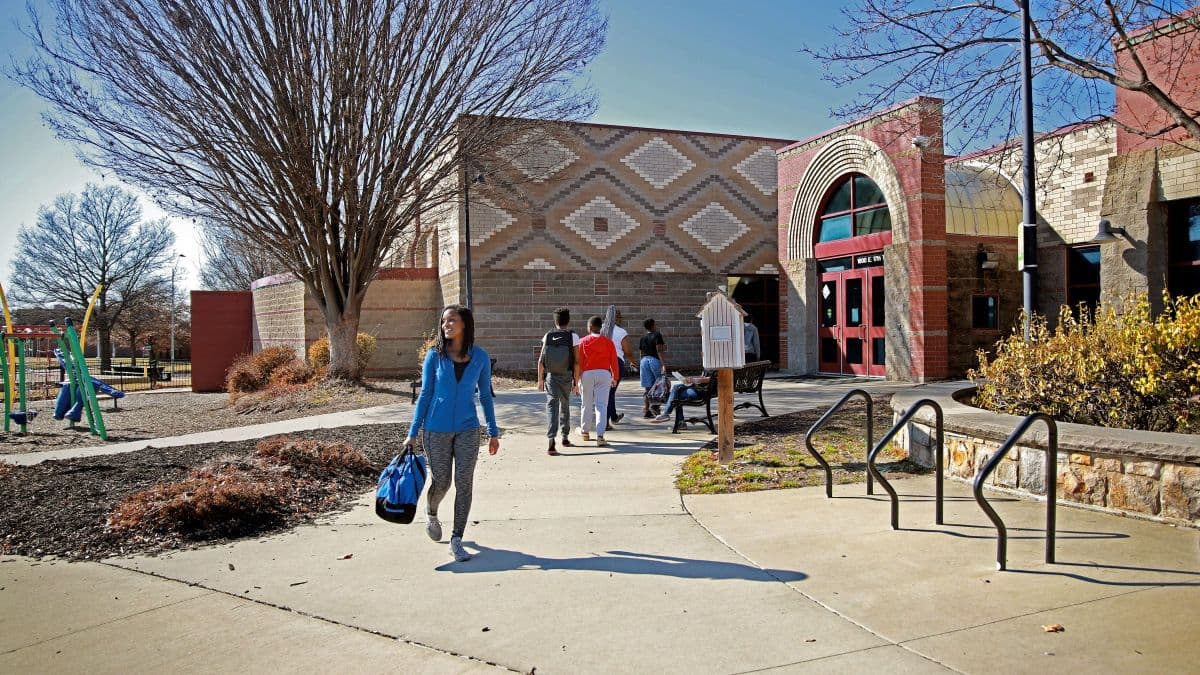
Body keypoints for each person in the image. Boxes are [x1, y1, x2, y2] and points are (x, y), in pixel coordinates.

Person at [405, 304, 500, 563]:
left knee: (464, 483)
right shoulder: (434, 356)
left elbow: (486, 397)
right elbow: (425, 395)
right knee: (442, 481)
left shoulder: (480, 357)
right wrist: (413, 432)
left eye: (452, 320)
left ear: (465, 325)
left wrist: (493, 431)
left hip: (468, 429)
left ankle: (457, 539)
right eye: (444, 321)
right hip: (436, 429)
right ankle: (432, 511)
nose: (446, 325)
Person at [537, 307, 579, 456]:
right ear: (568, 320)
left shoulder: (547, 335)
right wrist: (576, 382)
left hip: (551, 377)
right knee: (565, 405)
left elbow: (541, 361)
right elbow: (576, 362)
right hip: (566, 376)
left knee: (551, 407)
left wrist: (540, 380)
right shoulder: (573, 337)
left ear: (555, 321)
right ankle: (565, 437)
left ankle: (551, 442)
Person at [575, 315, 619, 446]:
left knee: (586, 403)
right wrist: (615, 377)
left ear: (589, 327)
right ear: (600, 327)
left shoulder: (582, 341)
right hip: (604, 374)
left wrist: (576, 380)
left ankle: (585, 432)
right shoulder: (608, 342)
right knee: (601, 405)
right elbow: (614, 362)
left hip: (587, 374)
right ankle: (600, 436)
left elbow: (579, 362)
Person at [601, 306, 634, 426]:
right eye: (619, 316)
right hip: (616, 363)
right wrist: (634, 362)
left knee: (608, 392)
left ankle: (613, 417)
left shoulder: (601, 329)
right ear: (616, 317)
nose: (621, 319)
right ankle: (605, 423)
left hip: (602, 364)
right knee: (609, 393)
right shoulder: (621, 332)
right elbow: (628, 351)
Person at [638, 318, 667, 418]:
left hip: (644, 361)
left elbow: (641, 353)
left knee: (648, 387)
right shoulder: (657, 335)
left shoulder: (642, 338)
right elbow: (659, 350)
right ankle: (655, 407)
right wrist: (663, 364)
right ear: (653, 325)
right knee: (659, 385)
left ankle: (646, 410)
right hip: (654, 360)